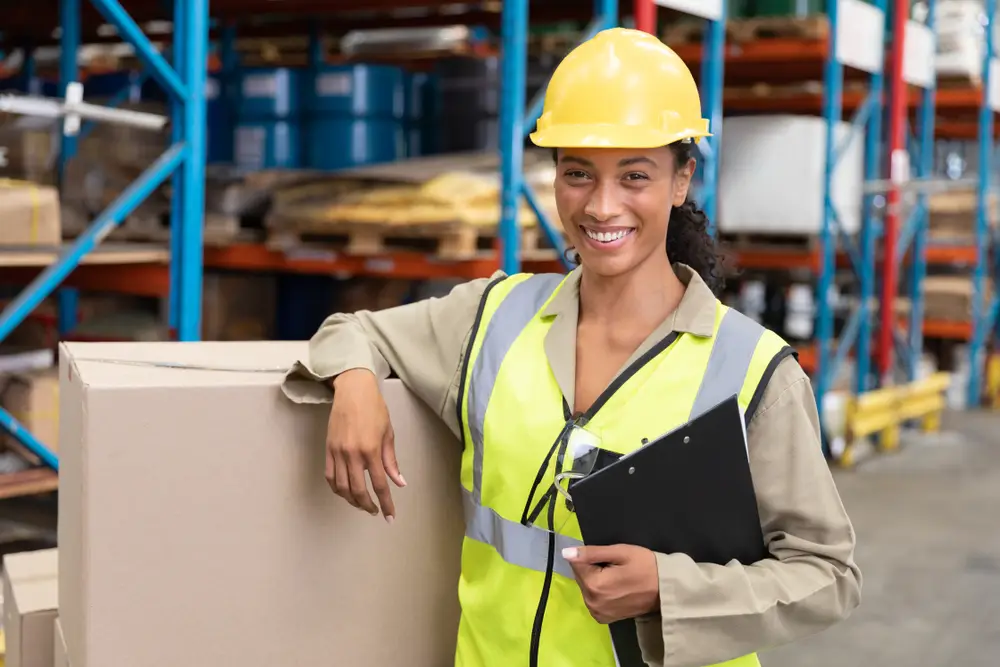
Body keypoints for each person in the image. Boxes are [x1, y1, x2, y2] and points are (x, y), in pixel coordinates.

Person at [282, 27, 860, 667]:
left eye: (634, 175)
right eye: (577, 173)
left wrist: (673, 590)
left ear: (680, 179)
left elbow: (827, 573)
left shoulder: (752, 371)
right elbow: (354, 329)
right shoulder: (494, 317)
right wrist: (356, 384)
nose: (602, 205)